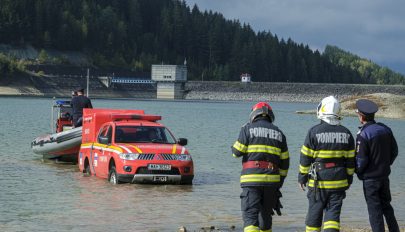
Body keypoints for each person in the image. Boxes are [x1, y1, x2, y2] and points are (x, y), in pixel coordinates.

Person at [298, 96, 355, 232]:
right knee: (332, 217)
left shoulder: (314, 132)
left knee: (314, 216)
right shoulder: (347, 134)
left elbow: (305, 158)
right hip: (339, 182)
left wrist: (302, 177)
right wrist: (349, 179)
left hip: (319, 183)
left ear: (321, 110)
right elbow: (351, 162)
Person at [232, 102, 289, 232]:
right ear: (270, 116)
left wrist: (241, 133)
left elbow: (236, 152)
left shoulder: (247, 129)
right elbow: (285, 162)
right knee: (265, 219)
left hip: (251, 181)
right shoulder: (279, 133)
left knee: (250, 217)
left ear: (253, 115)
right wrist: (279, 182)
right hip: (272, 182)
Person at [354, 99, 399, 232]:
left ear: (361, 117)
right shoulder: (385, 129)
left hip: (370, 179)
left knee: (375, 212)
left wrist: (359, 172)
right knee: (387, 207)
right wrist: (386, 164)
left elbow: (361, 161)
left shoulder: (363, 134)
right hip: (384, 176)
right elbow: (394, 151)